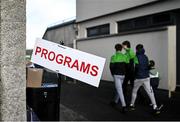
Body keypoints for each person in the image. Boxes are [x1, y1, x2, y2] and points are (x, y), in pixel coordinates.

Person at [129, 44, 160, 115]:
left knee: (134, 91)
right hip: (146, 77)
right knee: (150, 92)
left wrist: (134, 75)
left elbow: (135, 68)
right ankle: (155, 106)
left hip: (139, 78)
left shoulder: (135, 57)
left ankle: (132, 105)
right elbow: (148, 66)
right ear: (143, 49)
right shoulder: (146, 57)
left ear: (136, 50)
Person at [109, 43, 128, 113]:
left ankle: (124, 106)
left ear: (115, 49)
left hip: (116, 75)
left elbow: (111, 67)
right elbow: (127, 66)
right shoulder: (125, 56)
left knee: (119, 90)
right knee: (119, 89)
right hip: (123, 75)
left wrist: (112, 74)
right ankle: (115, 101)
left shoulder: (113, 57)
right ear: (121, 49)